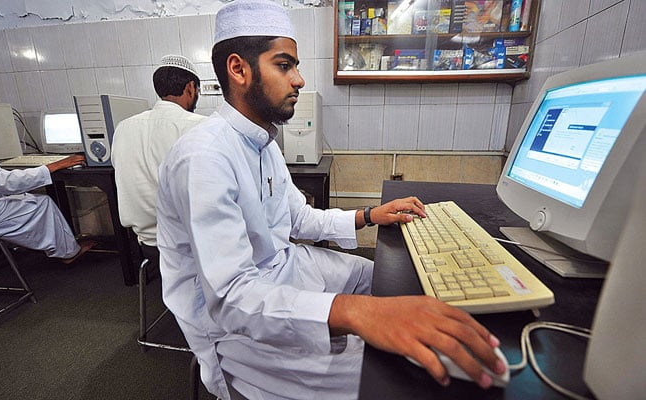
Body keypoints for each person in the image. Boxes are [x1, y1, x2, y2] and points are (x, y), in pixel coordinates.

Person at [155, 1, 506, 399]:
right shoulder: (203, 157)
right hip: (238, 327)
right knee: (396, 369)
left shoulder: (262, 140)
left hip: (284, 268)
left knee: (394, 283)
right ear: (239, 70)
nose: (300, 80)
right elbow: (232, 299)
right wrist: (360, 314)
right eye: (285, 65)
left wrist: (370, 214)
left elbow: (299, 219)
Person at [0, 90, 95, 309]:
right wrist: (52, 166)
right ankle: (69, 252)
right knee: (40, 204)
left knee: (9, 197)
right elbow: (0, 181)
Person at [111, 54, 206, 263]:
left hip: (148, 246)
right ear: (191, 87)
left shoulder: (123, 127)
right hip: (194, 245)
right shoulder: (199, 126)